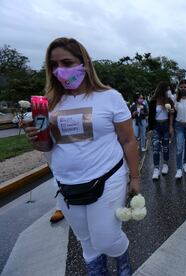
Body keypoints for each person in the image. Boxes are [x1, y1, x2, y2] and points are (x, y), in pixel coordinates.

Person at [23, 37, 140, 275]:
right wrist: (36, 140)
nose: (61, 71)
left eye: (67, 62)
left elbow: (128, 140)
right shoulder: (49, 103)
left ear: (84, 63)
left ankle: (123, 260)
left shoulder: (110, 97)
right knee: (86, 239)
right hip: (67, 184)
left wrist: (135, 178)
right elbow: (48, 147)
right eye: (54, 65)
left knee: (106, 239)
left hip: (107, 178)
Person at [148, 81, 175, 180]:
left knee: (165, 146)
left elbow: (172, 114)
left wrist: (171, 126)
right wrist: (150, 129)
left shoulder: (169, 100)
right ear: (162, 90)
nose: (169, 91)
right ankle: (156, 169)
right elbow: (150, 116)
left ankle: (165, 165)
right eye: (167, 89)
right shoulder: (153, 101)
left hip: (166, 125)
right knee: (155, 147)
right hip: (156, 126)